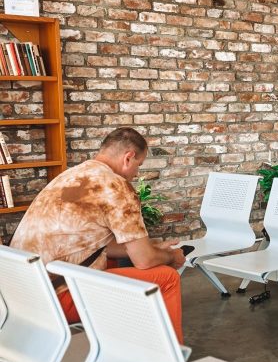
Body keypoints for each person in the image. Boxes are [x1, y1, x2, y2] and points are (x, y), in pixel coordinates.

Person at [10, 127, 186, 343]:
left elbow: (93, 246)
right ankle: (169, 355)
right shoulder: (116, 186)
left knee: (111, 261)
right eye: (139, 165)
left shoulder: (69, 176)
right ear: (128, 158)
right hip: (56, 298)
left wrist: (150, 249)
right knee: (167, 277)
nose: (137, 174)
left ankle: (122, 342)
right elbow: (145, 261)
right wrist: (171, 257)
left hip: (21, 293)